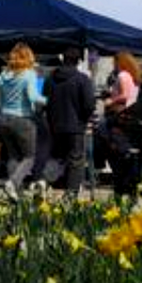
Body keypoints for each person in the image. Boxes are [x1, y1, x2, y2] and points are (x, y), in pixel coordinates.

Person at [0, 43, 47, 200]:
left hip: (4, 119)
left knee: (13, 157)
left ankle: (15, 191)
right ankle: (12, 183)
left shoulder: (2, 76)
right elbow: (33, 97)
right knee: (29, 157)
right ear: (28, 57)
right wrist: (49, 100)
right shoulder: (28, 74)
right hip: (23, 119)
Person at [43, 47, 96, 195]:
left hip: (54, 126)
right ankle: (71, 195)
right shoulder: (82, 79)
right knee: (75, 161)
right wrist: (84, 119)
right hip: (75, 127)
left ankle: (45, 187)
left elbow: (44, 101)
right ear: (78, 61)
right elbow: (89, 105)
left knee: (54, 158)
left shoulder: (50, 78)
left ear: (63, 59)